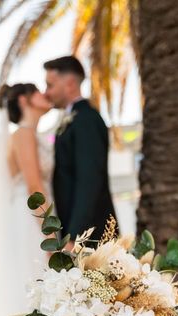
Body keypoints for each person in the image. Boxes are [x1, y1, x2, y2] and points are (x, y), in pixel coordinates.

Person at [0, 83, 54, 316]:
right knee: (34, 278)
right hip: (31, 217)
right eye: (38, 91)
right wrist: (51, 236)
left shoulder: (32, 135)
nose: (45, 94)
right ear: (25, 101)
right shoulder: (23, 135)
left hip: (35, 213)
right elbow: (34, 188)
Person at [44, 56, 117, 245]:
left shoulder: (86, 120)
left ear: (69, 83)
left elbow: (90, 179)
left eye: (50, 85)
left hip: (90, 235)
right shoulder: (72, 120)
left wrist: (75, 236)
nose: (47, 92)